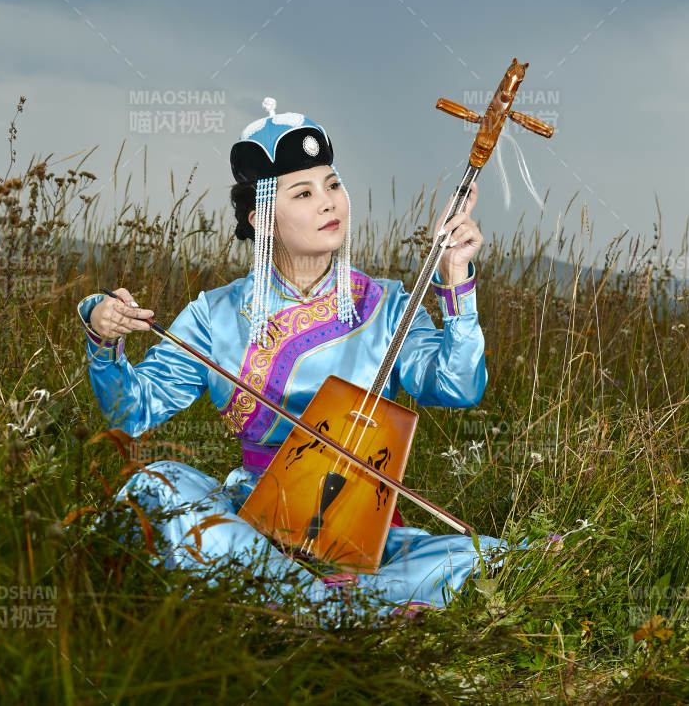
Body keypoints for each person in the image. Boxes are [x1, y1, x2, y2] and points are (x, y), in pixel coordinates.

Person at [77, 98, 514, 620]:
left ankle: (307, 604)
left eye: (333, 185)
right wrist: (101, 332)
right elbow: (132, 411)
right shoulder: (215, 314)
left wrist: (455, 278)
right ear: (262, 219)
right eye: (303, 192)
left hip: (358, 527)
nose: (328, 202)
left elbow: (459, 387)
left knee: (487, 560)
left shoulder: (390, 304)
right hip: (251, 519)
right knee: (158, 487)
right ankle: (336, 606)